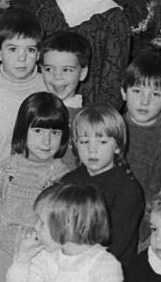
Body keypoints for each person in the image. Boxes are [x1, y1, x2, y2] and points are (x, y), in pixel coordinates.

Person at [0, 92, 73, 282]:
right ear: (22, 131)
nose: (46, 141)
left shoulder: (64, 177)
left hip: (41, 255)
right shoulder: (5, 170)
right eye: (38, 131)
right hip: (1, 251)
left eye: (54, 133)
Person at [37, 0, 130, 109]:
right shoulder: (51, 9)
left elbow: (113, 81)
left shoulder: (112, 17)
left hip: (92, 113)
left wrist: (96, 119)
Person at [60, 104, 145, 266]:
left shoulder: (127, 189)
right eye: (84, 141)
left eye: (102, 142)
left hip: (108, 268)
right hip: (67, 263)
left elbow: (116, 244)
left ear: (117, 146)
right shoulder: (67, 182)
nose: (92, 150)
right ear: (75, 145)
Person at [0, 7, 49, 160]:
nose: (22, 58)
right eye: (13, 49)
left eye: (30, 50)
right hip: (2, 171)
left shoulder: (48, 87)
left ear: (39, 53)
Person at [121, 51, 161, 206]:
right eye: (137, 91)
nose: (144, 101)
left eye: (155, 94)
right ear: (124, 93)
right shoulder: (111, 126)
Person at [39, 29, 91, 111]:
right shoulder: (33, 109)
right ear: (42, 70)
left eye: (66, 70)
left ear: (82, 73)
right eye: (49, 69)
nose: (57, 77)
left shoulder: (87, 117)